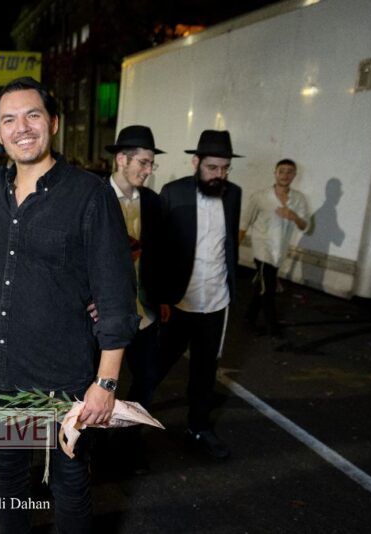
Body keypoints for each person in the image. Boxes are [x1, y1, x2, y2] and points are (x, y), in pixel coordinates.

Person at [0, 77, 138, 533]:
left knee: (69, 484)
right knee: (9, 481)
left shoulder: (89, 194)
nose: (22, 128)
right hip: (2, 374)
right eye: (9, 120)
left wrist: (106, 381)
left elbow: (116, 296)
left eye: (33, 115)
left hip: (63, 380)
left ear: (54, 123)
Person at [156, 130, 243, 460]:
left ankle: (199, 428)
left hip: (216, 301)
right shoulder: (173, 192)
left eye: (225, 168)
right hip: (179, 302)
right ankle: (126, 427)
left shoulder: (233, 194)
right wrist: (160, 297)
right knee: (155, 366)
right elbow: (159, 249)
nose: (219, 174)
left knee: (206, 372)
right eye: (212, 167)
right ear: (196, 163)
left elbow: (229, 243)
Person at [105, 125, 165, 410]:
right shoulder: (95, 196)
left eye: (151, 163)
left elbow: (161, 253)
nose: (148, 170)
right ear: (121, 159)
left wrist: (162, 298)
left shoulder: (153, 202)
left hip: (143, 313)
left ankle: (129, 433)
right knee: (96, 384)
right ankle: (88, 435)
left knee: (147, 378)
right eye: (143, 162)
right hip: (104, 314)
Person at [241, 159, 309, 335]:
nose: (285, 175)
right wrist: (234, 247)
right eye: (282, 171)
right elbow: (245, 222)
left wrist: (293, 216)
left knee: (262, 286)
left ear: (294, 175)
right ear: (275, 173)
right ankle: (273, 327)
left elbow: (304, 226)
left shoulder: (298, 199)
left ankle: (248, 319)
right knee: (268, 289)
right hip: (262, 249)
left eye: (289, 172)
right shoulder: (260, 196)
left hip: (279, 251)